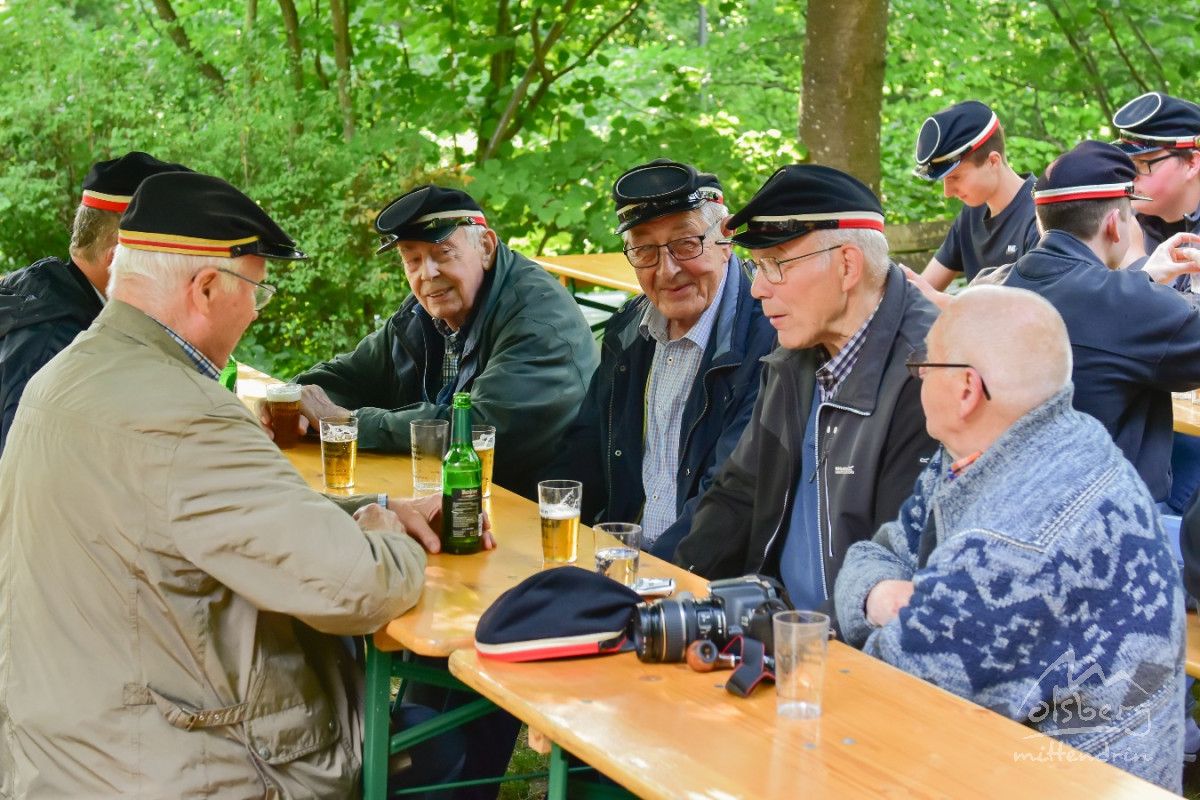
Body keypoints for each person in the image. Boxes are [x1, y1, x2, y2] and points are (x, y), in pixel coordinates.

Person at [0, 171, 472, 798]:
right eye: (257, 289)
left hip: (66, 753)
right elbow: (357, 589)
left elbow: (203, 522)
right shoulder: (187, 414)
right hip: (185, 768)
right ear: (205, 288)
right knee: (444, 741)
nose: (256, 307)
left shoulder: (61, 379)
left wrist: (373, 504)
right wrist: (388, 535)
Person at [834, 285, 1185, 792]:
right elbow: (879, 551)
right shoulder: (1048, 436)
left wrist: (880, 606)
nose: (918, 381)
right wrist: (881, 595)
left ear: (966, 390)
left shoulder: (1011, 547)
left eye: (924, 366)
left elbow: (888, 689)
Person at [672, 165, 939, 623]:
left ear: (848, 266)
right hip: (781, 627)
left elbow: (899, 574)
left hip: (854, 657)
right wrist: (671, 587)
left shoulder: (932, 373)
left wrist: (791, 643)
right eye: (756, 267)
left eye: (774, 264)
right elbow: (737, 495)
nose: (756, 288)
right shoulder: (796, 352)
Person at [270, 185, 598, 500]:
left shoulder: (538, 319)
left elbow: (480, 427)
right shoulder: (420, 313)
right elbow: (351, 376)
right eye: (412, 260)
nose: (427, 274)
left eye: (443, 254)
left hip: (537, 512)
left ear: (485, 247)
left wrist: (347, 423)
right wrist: (292, 401)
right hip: (457, 498)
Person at [543, 159, 776, 559]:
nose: (667, 271)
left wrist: (652, 576)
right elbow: (582, 455)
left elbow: (732, 500)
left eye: (686, 244)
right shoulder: (629, 328)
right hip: (620, 562)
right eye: (645, 250)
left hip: (702, 584)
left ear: (727, 240)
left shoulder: (769, 338)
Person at [979, 140, 1200, 504]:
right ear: (1115, 224)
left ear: (1040, 220)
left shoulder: (986, 289)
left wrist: (1143, 276)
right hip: (1113, 525)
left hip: (1009, 507)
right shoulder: (1136, 305)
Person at [0, 151, 190, 452]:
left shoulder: (57, 302)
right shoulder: (57, 350)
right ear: (117, 259)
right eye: (171, 260)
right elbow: (28, 490)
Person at [905, 100, 1039, 305]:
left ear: (993, 161)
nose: (947, 193)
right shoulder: (971, 214)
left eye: (955, 178)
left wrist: (941, 301)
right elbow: (924, 290)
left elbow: (1028, 316)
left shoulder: (1041, 217)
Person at [1112, 91, 1200, 290]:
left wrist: (1136, 264)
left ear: (1192, 164)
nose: (1129, 176)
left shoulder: (1129, 240)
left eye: (1143, 164)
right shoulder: (1124, 223)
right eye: (1127, 164)